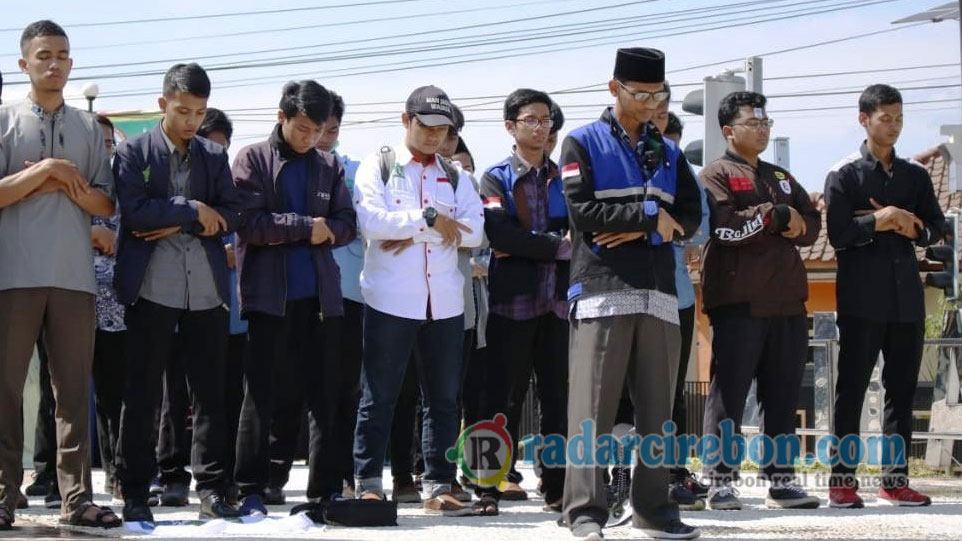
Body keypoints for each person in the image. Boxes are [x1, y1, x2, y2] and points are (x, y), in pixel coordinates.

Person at [560, 48, 702, 540]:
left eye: (656, 95)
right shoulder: (580, 143)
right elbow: (583, 216)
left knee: (659, 414)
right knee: (592, 409)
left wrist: (651, 229)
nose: (648, 104)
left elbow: (691, 217)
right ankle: (584, 512)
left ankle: (654, 511)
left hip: (660, 293)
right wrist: (648, 219)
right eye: (638, 94)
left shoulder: (669, 151)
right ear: (613, 88)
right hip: (601, 290)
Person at [0, 19, 118, 530]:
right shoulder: (4, 120)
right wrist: (45, 172)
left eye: (63, 55)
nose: (55, 64)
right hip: (13, 272)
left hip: (74, 278)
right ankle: (4, 497)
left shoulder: (91, 128)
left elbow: (104, 201)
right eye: (44, 55)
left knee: (72, 391)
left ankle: (77, 500)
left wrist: (60, 182)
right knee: (5, 390)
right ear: (23, 63)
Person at [113, 62, 243, 523]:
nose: (190, 120)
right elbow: (133, 213)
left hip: (206, 287)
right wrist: (191, 210)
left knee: (210, 393)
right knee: (143, 391)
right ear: (162, 103)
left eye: (199, 112)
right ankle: (133, 490)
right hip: (151, 286)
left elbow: (232, 213)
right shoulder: (133, 153)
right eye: (183, 110)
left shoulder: (213, 155)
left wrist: (177, 219)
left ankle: (211, 488)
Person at [352, 85, 483, 516]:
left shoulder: (458, 175)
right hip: (390, 300)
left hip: (445, 301)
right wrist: (428, 220)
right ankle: (368, 483)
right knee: (380, 396)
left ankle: (439, 486)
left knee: (444, 399)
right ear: (406, 120)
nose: (434, 136)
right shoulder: (381, 165)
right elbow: (372, 223)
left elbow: (475, 232)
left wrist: (404, 232)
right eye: (426, 126)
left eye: (442, 129)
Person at [232, 80, 357, 515]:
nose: (310, 138)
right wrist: (308, 227)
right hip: (269, 298)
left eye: (317, 130)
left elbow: (347, 223)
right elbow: (251, 223)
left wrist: (325, 229)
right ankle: (251, 486)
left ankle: (324, 491)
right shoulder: (251, 159)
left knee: (325, 397)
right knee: (262, 395)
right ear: (281, 117)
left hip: (322, 299)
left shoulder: (329, 165)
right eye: (302, 128)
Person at [699, 91, 821, 512]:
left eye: (767, 123)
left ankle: (782, 479)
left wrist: (792, 220)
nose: (763, 129)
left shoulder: (781, 176)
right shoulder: (715, 174)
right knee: (728, 395)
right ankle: (720, 480)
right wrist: (771, 216)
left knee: (784, 394)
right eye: (754, 123)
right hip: (739, 302)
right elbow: (724, 227)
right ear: (729, 130)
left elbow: (810, 221)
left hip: (787, 301)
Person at [824, 84, 943, 508]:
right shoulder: (844, 174)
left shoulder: (915, 175)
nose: (893, 126)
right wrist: (883, 218)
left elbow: (934, 230)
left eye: (898, 118)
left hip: (907, 300)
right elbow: (838, 235)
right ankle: (842, 480)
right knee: (851, 391)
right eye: (884, 118)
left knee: (901, 392)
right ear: (864, 119)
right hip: (860, 300)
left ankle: (895, 481)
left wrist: (906, 223)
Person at [476, 88, 570, 516]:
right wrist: (555, 246)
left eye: (546, 119)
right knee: (498, 398)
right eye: (530, 119)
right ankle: (487, 486)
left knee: (557, 398)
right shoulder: (495, 177)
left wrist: (533, 244)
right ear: (511, 126)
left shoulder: (567, 176)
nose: (540, 127)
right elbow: (501, 234)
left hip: (559, 303)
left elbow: (577, 232)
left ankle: (557, 485)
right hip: (511, 304)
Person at [89, 114, 126, 507]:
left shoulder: (125, 183)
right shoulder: (68, 181)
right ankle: (59, 480)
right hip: (72, 295)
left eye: (108, 142)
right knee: (66, 399)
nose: (103, 149)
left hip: (120, 302)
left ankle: (119, 474)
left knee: (117, 392)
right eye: (95, 141)